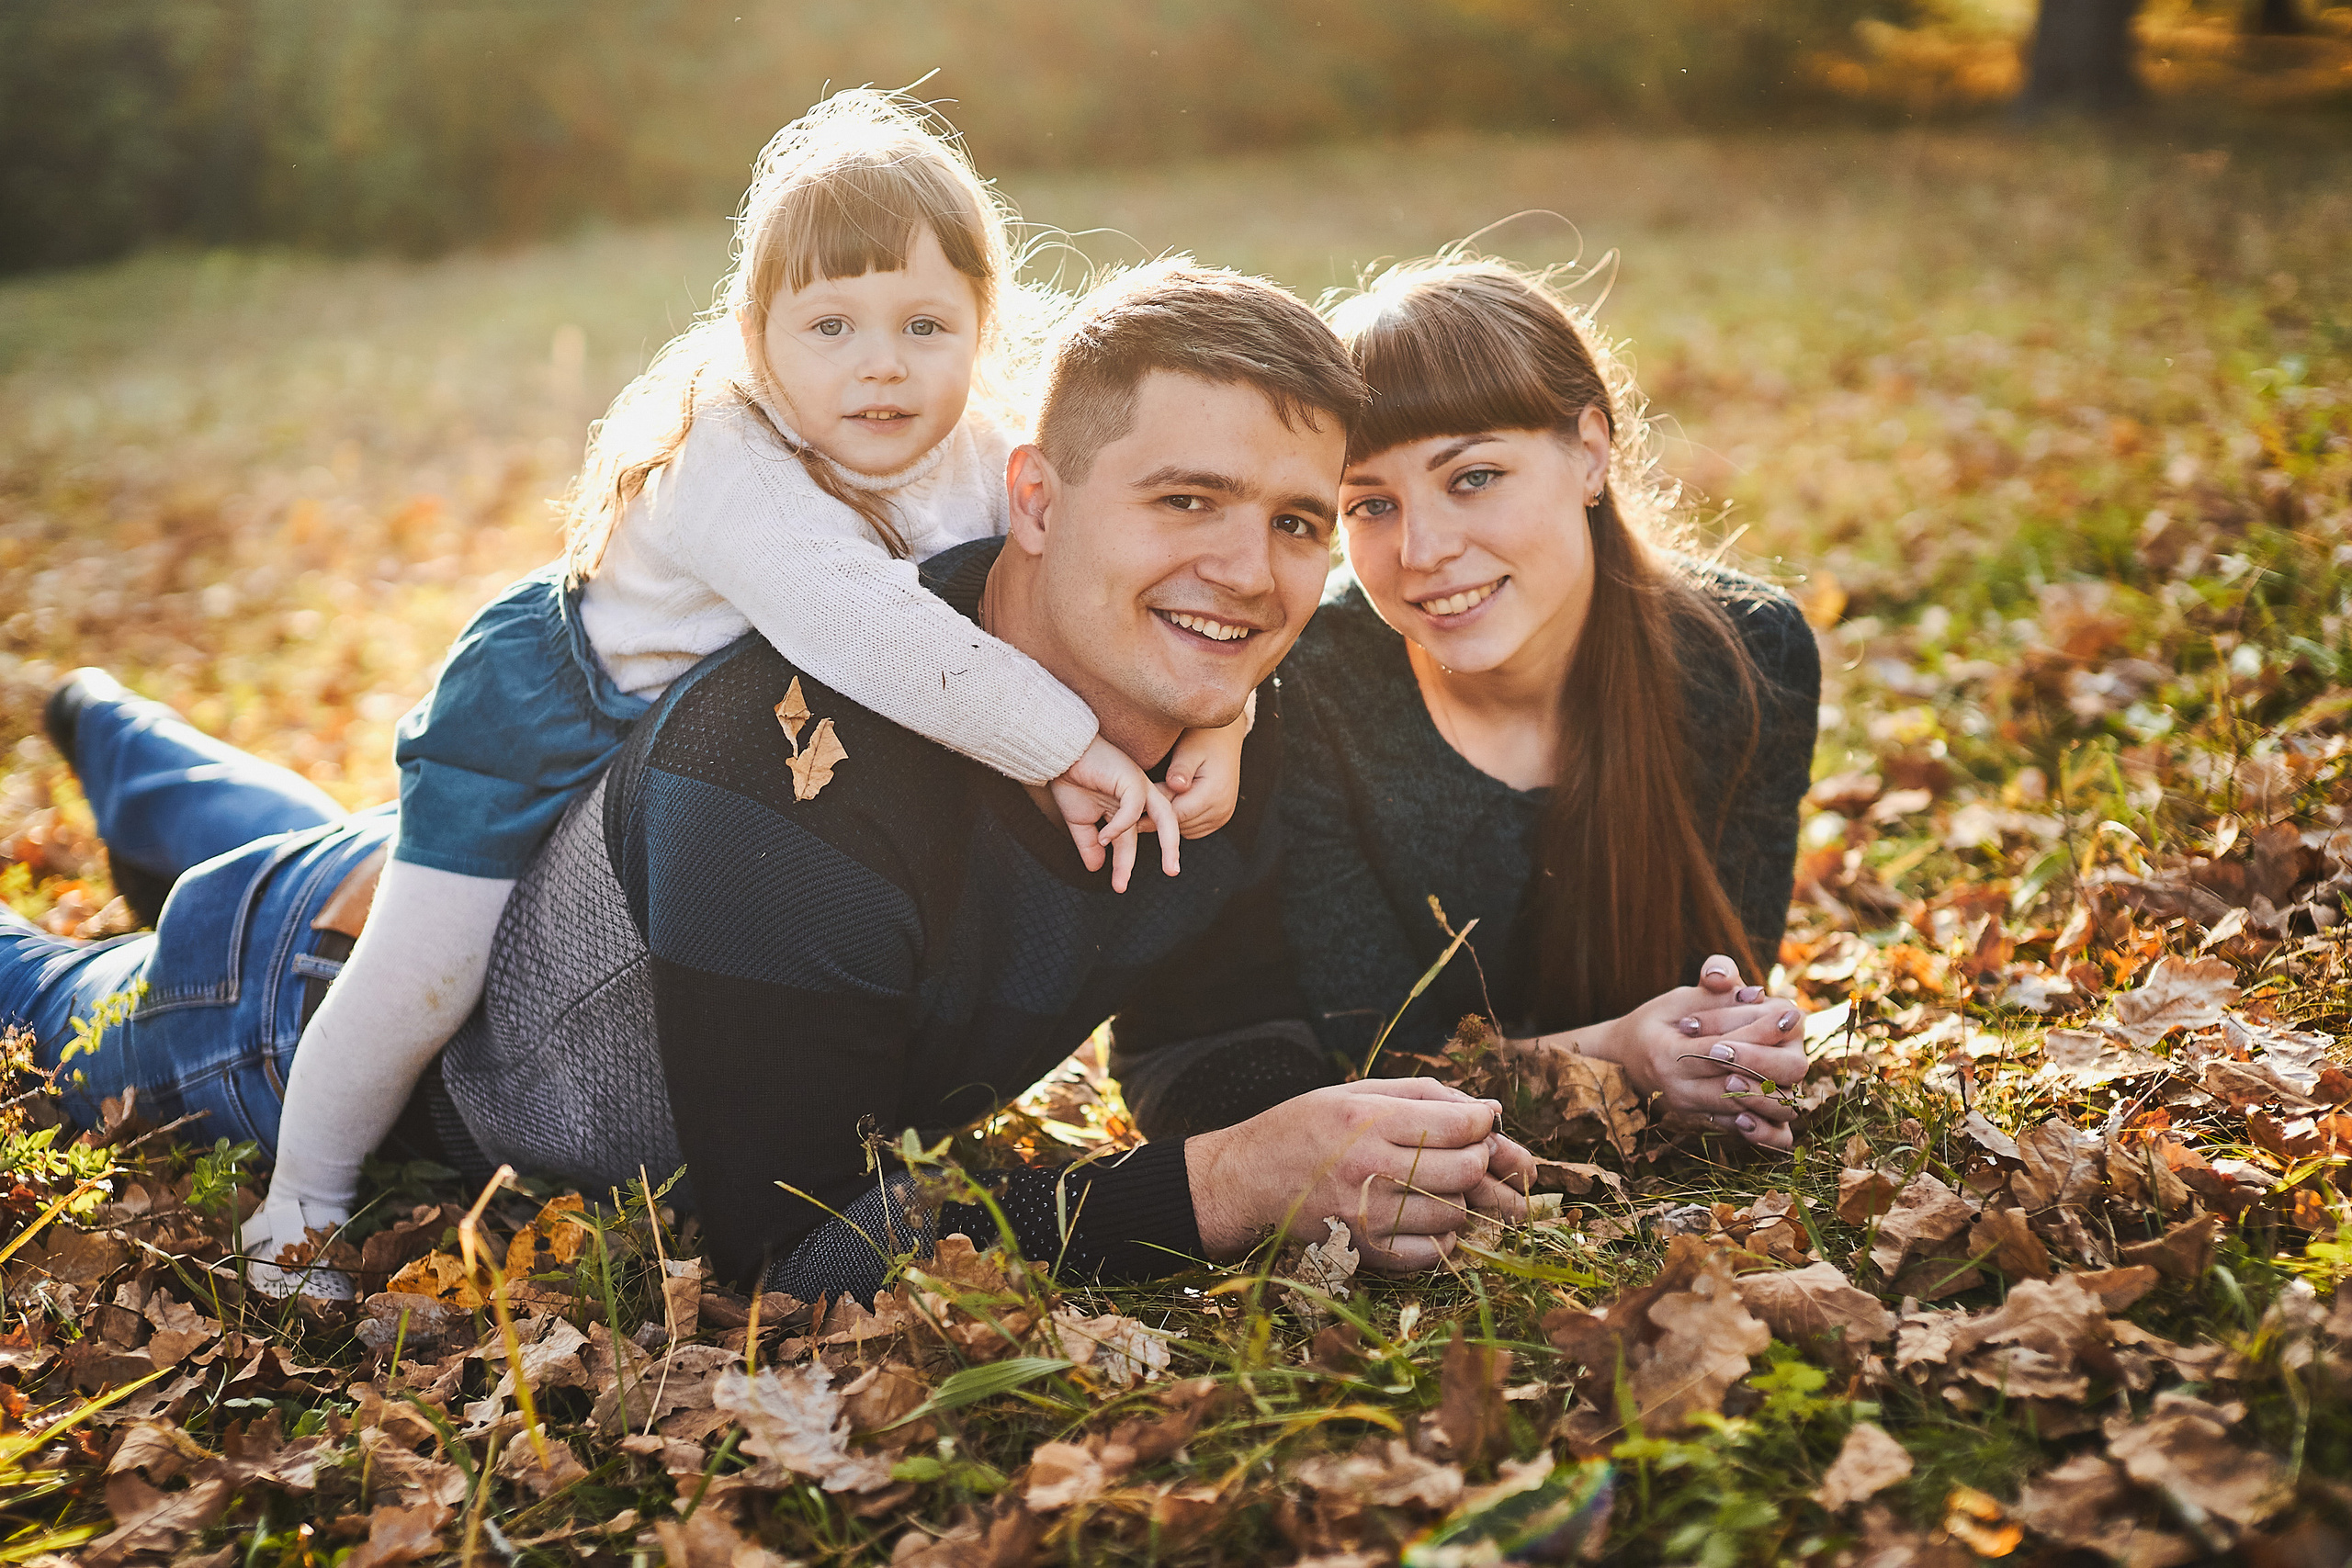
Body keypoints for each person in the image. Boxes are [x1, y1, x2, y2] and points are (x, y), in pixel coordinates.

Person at [3, 260, 1537, 1305]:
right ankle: (95, 744)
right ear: (1040, 501)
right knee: (49, 982)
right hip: (307, 1009)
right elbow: (796, 1241)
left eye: (1289, 522)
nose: (1246, 573)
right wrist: (1214, 1191)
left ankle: (95, 715)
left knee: (303, 828)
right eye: (1185, 500)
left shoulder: (1228, 729)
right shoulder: (796, 771)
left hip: (505, 881)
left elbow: (1210, 1013)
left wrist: (1331, 1141)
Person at [244, 91, 1258, 1290]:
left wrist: (1223, 711)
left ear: (986, 325)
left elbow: (1107, 566)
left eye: (926, 323)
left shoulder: (975, 448)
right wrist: (1071, 748)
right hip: (547, 711)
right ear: (755, 332)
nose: (881, 364)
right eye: (831, 325)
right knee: (425, 971)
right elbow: (855, 624)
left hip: (686, 753)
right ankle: (297, 1209)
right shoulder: (722, 453)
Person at [1119, 257, 1820, 1153]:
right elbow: (1368, 1053)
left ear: (1590, 453)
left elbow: (1714, 983)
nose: (1422, 551)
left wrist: (1716, 1044)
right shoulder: (1319, 687)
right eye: (1370, 504)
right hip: (1269, 1075)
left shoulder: (1748, 652)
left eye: (1473, 477)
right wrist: (1615, 1053)